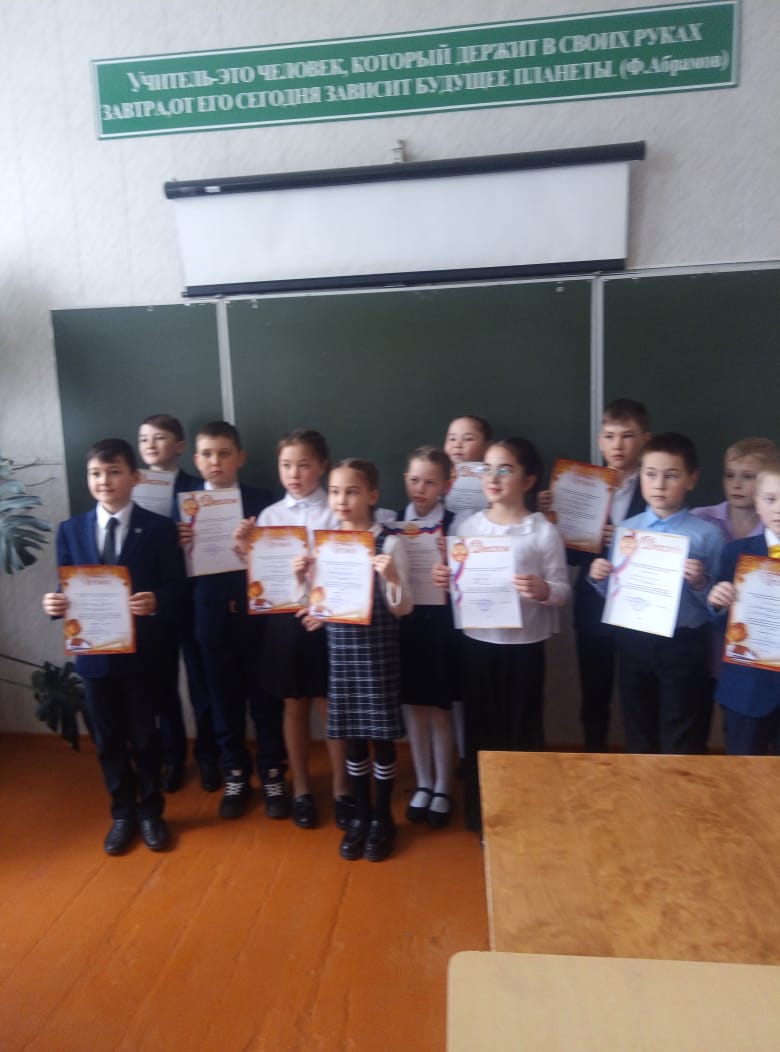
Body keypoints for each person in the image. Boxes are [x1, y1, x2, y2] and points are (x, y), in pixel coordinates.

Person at [42, 438, 185, 855]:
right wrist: (55, 604)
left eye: (114, 472)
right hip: (94, 655)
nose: (104, 481)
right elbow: (67, 588)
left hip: (143, 655)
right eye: (95, 473)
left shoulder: (158, 528)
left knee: (144, 736)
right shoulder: (71, 530)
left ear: (135, 478)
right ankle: (122, 813)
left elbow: (177, 588)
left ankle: (151, 811)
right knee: (107, 739)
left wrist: (157, 600)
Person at [433, 437, 570, 833]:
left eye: (505, 470)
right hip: (477, 645)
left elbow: (563, 591)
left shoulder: (542, 531)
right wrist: (443, 578)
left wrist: (543, 590)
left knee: (522, 731)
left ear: (528, 480)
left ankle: (523, 816)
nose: (493, 478)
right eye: (487, 469)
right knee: (481, 733)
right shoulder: (467, 526)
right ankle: (482, 818)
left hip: (524, 648)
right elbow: (457, 580)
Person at [235, 428, 353, 830]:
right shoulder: (269, 517)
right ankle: (301, 788)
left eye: (303, 465)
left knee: (330, 706)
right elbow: (262, 579)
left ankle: (342, 789)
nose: (294, 473)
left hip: (328, 620)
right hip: (285, 622)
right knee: (294, 705)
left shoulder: (337, 511)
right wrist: (246, 551)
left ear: (322, 466)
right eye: (286, 465)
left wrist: (328, 603)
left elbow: (352, 572)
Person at [298, 459, 412, 862]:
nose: (341, 500)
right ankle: (360, 815)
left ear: (372, 496)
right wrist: (304, 583)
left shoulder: (389, 543)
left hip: (377, 654)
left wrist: (392, 579)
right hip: (342, 654)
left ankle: (383, 817)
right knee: (351, 739)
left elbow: (403, 608)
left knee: (381, 739)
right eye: (334, 492)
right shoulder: (326, 545)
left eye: (351, 491)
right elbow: (316, 604)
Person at [180, 421, 288, 820]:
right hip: (210, 619)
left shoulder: (263, 501)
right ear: (196, 460)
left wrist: (255, 544)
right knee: (222, 703)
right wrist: (179, 546)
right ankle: (235, 774)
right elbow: (172, 572)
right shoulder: (184, 506)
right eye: (207, 454)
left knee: (265, 702)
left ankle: (273, 773)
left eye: (224, 453)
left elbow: (278, 559)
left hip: (256, 619)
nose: (216, 462)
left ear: (240, 458)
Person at [589, 433, 723, 754]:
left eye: (671, 475)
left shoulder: (707, 535)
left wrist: (701, 583)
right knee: (638, 728)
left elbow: (718, 607)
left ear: (692, 480)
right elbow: (619, 593)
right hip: (634, 642)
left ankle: (678, 788)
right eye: (650, 474)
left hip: (683, 645)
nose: (659, 485)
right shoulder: (627, 530)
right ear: (641, 477)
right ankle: (642, 786)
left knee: (682, 733)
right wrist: (601, 579)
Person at [539, 397, 650, 751]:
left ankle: (642, 764)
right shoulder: (581, 487)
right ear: (600, 441)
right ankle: (594, 756)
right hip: (593, 607)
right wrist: (553, 519)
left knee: (640, 694)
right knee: (594, 693)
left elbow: (669, 545)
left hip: (642, 606)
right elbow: (570, 556)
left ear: (645, 439)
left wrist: (626, 539)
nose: (618, 445)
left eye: (628, 436)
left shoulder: (656, 484)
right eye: (610, 436)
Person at [137, 413, 218, 793]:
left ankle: (209, 755)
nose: (151, 445)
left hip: (193, 597)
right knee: (162, 684)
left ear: (181, 446)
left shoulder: (199, 489)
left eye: (160, 438)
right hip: (154, 601)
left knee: (201, 682)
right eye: (144, 439)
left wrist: (192, 536)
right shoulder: (131, 486)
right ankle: (173, 757)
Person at [397, 446, 458, 828]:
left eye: (430, 482)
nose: (421, 488)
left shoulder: (457, 526)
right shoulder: (390, 522)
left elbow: (469, 578)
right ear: (405, 479)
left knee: (439, 710)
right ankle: (423, 782)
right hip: (405, 627)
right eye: (415, 480)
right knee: (413, 708)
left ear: (446, 486)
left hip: (440, 630)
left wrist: (451, 570)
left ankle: (444, 787)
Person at [707, 456, 780, 754]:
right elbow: (720, 622)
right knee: (742, 771)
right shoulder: (736, 553)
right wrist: (719, 602)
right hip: (746, 689)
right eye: (771, 499)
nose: (779, 508)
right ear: (757, 503)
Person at [442, 414, 493, 767]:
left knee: (477, 678)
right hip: (442, 597)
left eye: (468, 438)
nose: (458, 445)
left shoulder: (497, 487)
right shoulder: (434, 486)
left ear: (486, 446)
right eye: (452, 438)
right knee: (453, 681)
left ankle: (479, 753)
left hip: (485, 598)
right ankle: (461, 755)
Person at [692, 437, 778, 543]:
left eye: (748, 476)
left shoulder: (775, 524)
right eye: (730, 475)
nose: (736, 485)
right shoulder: (700, 518)